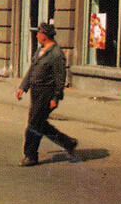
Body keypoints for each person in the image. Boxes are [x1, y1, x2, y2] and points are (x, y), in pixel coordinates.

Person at [15, 22, 77, 167]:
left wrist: (55, 98)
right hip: (36, 93)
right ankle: (68, 142)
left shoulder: (56, 54)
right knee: (39, 124)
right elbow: (32, 70)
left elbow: (60, 78)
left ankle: (31, 156)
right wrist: (22, 87)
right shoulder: (41, 50)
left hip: (46, 94)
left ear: (44, 35)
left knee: (33, 125)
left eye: (38, 32)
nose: (36, 35)